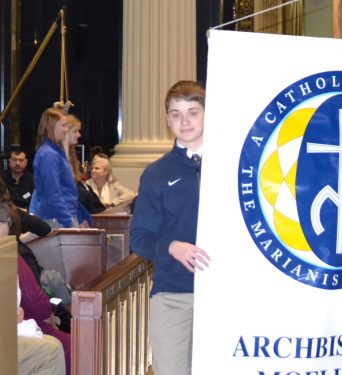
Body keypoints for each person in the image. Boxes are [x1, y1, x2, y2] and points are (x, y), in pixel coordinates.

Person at [130, 80, 211, 375]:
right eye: (176, 114)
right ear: (167, 120)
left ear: (208, 113)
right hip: (174, 294)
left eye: (193, 112)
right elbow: (139, 237)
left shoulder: (235, 165)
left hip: (225, 293)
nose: (184, 121)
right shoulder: (156, 174)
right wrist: (171, 247)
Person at [0, 193, 70, 374]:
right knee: (63, 348)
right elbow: (36, 302)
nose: (9, 229)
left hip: (8, 327)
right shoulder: (5, 254)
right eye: (7, 223)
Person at [29, 108, 91, 228]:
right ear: (51, 126)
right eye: (63, 125)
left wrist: (79, 216)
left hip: (62, 216)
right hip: (57, 219)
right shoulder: (48, 154)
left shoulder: (56, 152)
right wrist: (69, 222)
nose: (66, 129)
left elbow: (67, 191)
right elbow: (53, 193)